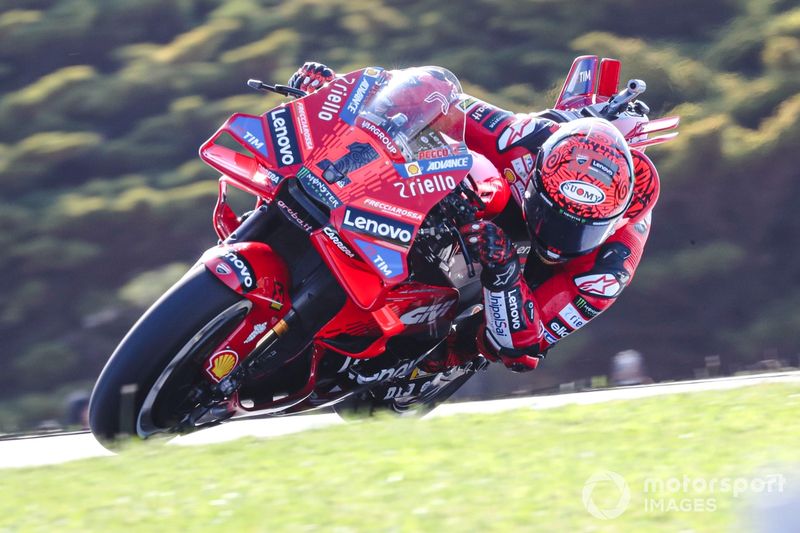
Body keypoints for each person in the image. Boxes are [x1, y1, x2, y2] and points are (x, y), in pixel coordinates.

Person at [288, 61, 663, 373]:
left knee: (492, 346)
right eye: (556, 219)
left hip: (530, 282)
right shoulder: (523, 137)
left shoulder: (609, 267)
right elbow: (430, 98)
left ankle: (433, 361)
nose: (560, 238)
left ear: (616, 217)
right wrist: (338, 89)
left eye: (578, 229)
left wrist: (503, 271)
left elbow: (523, 348)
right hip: (477, 206)